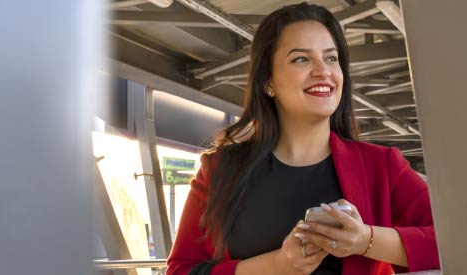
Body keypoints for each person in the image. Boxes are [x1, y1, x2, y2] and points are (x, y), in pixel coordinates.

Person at [166, 2, 438, 275]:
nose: (324, 71)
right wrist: (280, 265)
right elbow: (180, 270)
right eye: (301, 59)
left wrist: (364, 240)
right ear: (267, 82)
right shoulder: (218, 171)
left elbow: (452, 239)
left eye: (331, 58)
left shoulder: (382, 166)